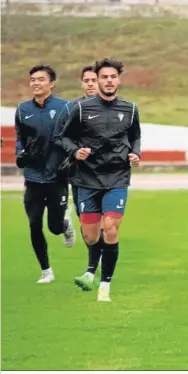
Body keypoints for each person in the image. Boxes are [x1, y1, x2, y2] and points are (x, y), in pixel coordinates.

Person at [54, 58, 142, 302]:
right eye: (104, 77)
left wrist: (136, 154)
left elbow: (135, 138)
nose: (109, 81)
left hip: (117, 177)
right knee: (92, 236)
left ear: (118, 80)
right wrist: (75, 151)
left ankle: (105, 285)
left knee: (111, 228)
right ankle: (93, 268)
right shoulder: (81, 109)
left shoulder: (130, 109)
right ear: (98, 80)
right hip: (87, 178)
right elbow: (62, 138)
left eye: (113, 76)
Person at [15, 64, 76, 284]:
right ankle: (46, 270)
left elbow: (74, 138)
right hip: (32, 176)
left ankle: (65, 225)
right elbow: (20, 138)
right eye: (32, 79)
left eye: (40, 79)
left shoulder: (66, 108)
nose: (35, 83)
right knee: (34, 223)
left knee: (54, 227)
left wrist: (69, 160)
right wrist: (19, 154)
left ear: (51, 83)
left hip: (57, 176)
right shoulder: (22, 109)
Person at [55, 65, 103, 291]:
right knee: (87, 224)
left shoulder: (115, 108)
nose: (91, 84)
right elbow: (60, 137)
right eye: (87, 80)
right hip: (80, 175)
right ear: (82, 84)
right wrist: (75, 151)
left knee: (106, 221)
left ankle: (93, 267)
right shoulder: (72, 108)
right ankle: (96, 257)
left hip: (108, 175)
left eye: (95, 79)